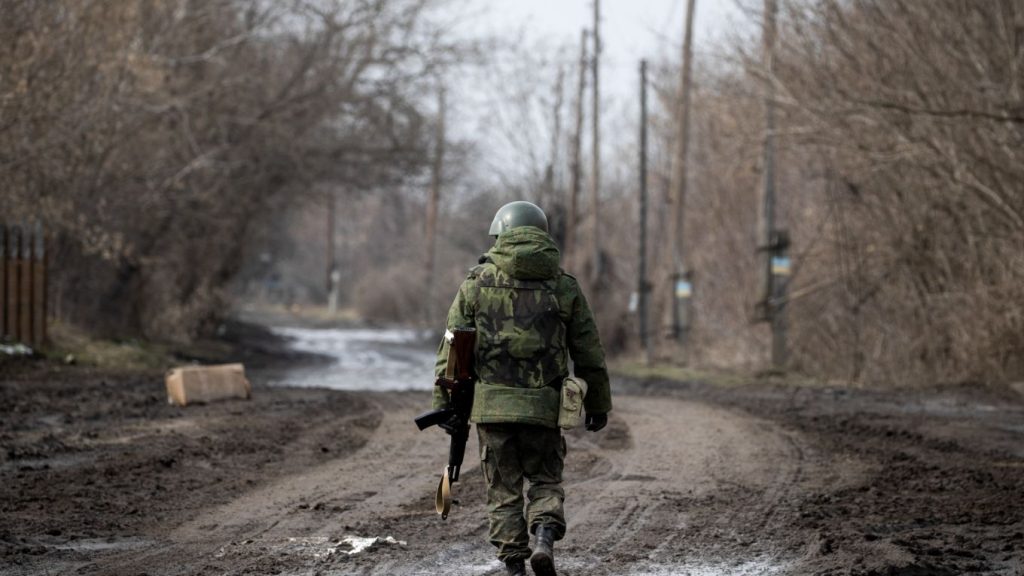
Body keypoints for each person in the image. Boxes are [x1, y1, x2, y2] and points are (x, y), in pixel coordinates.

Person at [432, 200, 612, 576]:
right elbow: (588, 352)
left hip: (492, 408)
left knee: (503, 490)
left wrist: (445, 403)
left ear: (501, 235)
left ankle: (514, 564)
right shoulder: (564, 287)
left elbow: (452, 347)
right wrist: (597, 404)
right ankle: (544, 535)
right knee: (546, 478)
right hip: (544, 407)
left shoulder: (475, 283)